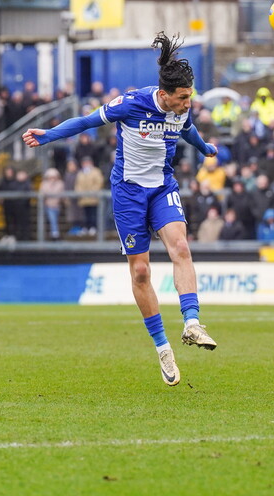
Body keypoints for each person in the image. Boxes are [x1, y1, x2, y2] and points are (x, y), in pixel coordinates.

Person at [22, 32, 218, 387]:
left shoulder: (181, 110)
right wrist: (48, 135)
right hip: (128, 193)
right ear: (164, 95)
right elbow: (86, 122)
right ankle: (163, 348)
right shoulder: (131, 103)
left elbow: (188, 131)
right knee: (141, 272)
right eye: (183, 98)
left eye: (190, 97)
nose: (188, 103)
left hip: (162, 188)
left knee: (181, 247)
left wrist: (205, 149)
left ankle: (192, 322)